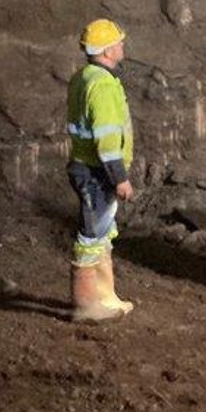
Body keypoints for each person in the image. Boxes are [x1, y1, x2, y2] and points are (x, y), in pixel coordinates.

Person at [66, 17, 135, 321]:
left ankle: (106, 297)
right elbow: (107, 139)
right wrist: (120, 178)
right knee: (92, 236)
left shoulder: (83, 77)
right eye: (118, 43)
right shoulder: (103, 85)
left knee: (103, 233)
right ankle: (86, 304)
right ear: (107, 51)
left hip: (86, 167)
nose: (122, 46)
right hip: (97, 172)